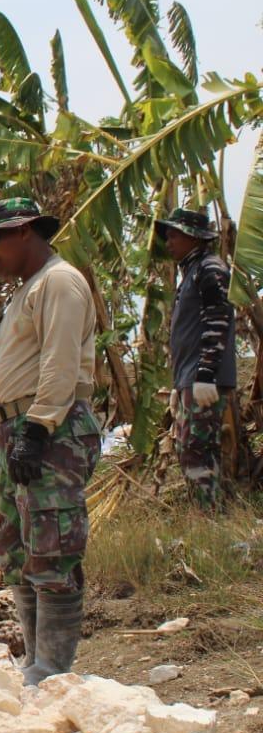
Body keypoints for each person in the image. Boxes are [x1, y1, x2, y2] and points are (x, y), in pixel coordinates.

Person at [0, 198, 100, 686]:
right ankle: (36, 660)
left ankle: (53, 669)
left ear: (25, 232)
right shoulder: (24, 293)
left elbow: (59, 364)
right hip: (16, 425)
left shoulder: (59, 282)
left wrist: (36, 429)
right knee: (18, 551)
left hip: (52, 429)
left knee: (52, 548)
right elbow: (9, 376)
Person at [157, 208, 235, 510]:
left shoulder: (210, 268)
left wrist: (205, 374)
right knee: (196, 449)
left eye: (174, 234)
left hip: (203, 379)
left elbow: (218, 319)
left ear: (194, 237)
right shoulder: (192, 270)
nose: (169, 241)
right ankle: (210, 516)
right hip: (190, 378)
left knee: (195, 450)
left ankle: (209, 516)